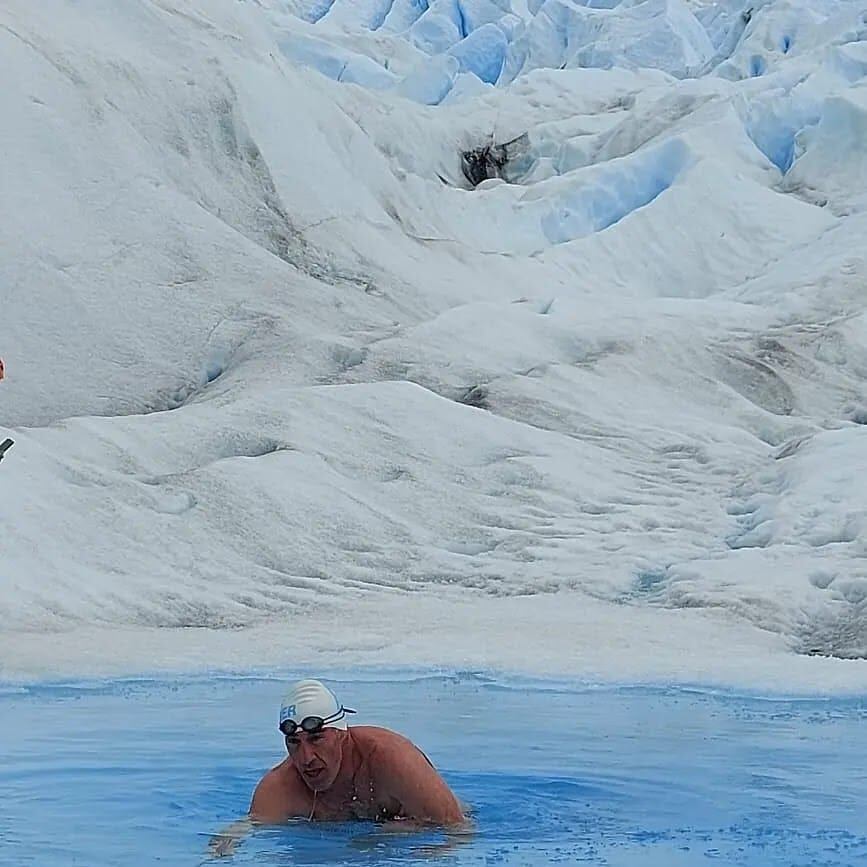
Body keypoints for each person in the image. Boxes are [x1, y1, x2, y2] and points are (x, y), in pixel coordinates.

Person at [209, 679, 465, 856]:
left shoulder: (390, 758)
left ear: (342, 734)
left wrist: (387, 838)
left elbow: (459, 831)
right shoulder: (279, 789)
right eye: (294, 743)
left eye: (316, 739)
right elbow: (241, 832)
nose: (306, 757)